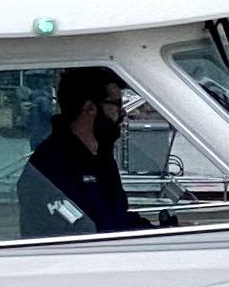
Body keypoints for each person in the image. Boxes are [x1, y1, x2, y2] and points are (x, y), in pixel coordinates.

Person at [19, 66, 140, 235]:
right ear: (91, 108)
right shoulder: (51, 167)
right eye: (117, 105)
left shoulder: (101, 159)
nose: (123, 113)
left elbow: (118, 219)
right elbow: (81, 232)